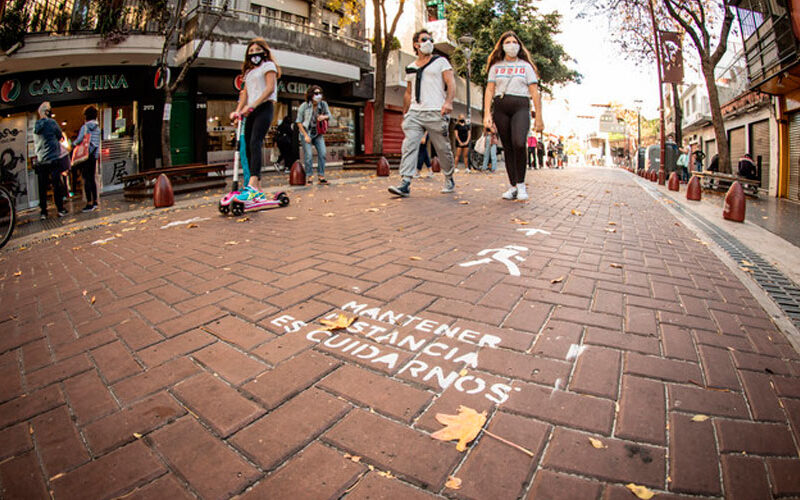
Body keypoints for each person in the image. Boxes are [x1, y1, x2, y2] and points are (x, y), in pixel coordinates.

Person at [388, 29, 456, 197]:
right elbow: (409, 92)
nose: (429, 42)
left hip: (436, 111)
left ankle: (449, 177)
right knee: (409, 146)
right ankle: (405, 182)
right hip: (415, 113)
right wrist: (405, 113)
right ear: (416, 45)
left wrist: (448, 102)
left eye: (431, 39)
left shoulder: (441, 61)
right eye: (424, 39)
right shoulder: (410, 67)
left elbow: (451, 82)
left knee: (443, 148)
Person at [483, 31, 543, 200]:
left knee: (518, 143)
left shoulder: (525, 66)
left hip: (521, 107)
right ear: (502, 46)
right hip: (501, 107)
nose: (511, 45)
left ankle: (522, 184)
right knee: (508, 147)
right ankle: (513, 186)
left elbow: (534, 92)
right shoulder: (495, 67)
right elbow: (489, 90)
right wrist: (487, 113)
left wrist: (539, 116)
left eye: (514, 42)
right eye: (507, 42)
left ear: (519, 45)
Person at [230, 38, 280, 200]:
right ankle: (257, 188)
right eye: (250, 51)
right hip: (249, 111)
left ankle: (251, 183)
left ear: (264, 52)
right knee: (248, 147)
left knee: (255, 142)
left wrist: (253, 106)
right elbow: (244, 94)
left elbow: (269, 88)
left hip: (264, 107)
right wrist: (238, 111)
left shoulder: (268, 66)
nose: (253, 53)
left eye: (256, 50)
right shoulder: (249, 73)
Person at [33, 101, 68, 219]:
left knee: (42, 187)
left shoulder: (36, 126)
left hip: (41, 159)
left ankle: (43, 212)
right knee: (56, 185)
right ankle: (60, 209)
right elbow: (60, 136)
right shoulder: (52, 123)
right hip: (53, 158)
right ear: (47, 112)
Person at [296, 85, 330, 184]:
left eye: (320, 93)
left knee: (323, 153)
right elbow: (298, 122)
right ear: (311, 95)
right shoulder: (304, 106)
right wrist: (305, 135)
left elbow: (329, 116)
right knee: (308, 155)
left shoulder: (323, 105)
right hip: (306, 132)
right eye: (316, 93)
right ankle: (309, 176)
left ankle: (321, 175)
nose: (318, 95)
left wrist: (323, 117)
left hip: (318, 133)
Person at [75, 105, 101, 211]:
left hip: (86, 156)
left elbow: (80, 139)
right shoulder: (97, 128)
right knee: (92, 178)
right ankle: (95, 201)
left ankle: (89, 203)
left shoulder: (85, 127)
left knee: (86, 179)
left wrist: (73, 145)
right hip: (94, 156)